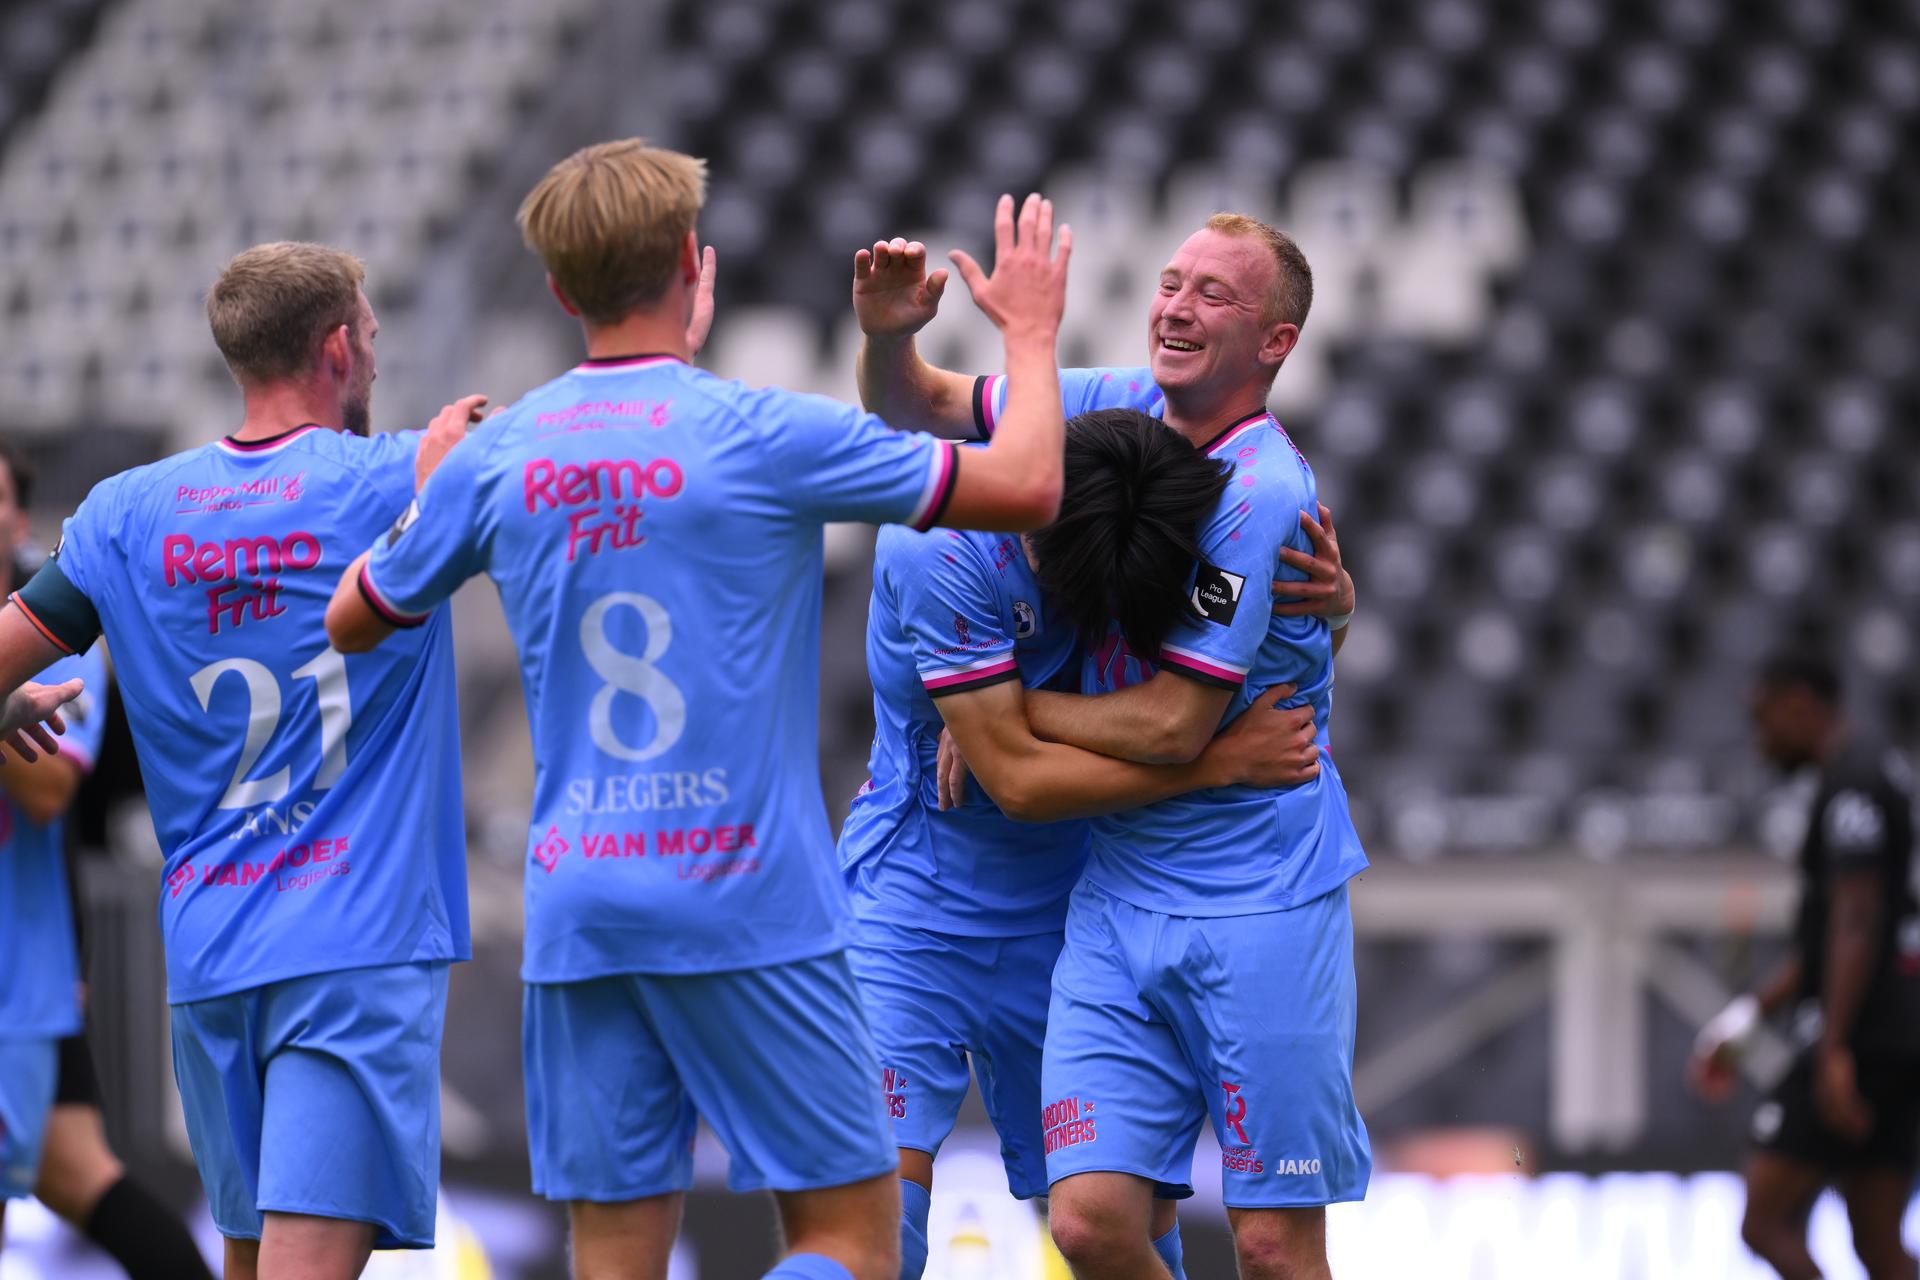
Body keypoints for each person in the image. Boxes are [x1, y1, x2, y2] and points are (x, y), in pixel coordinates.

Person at [324, 140, 1073, 1280]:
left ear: (562, 291)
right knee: (851, 1243)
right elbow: (1025, 485)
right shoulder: (765, 431)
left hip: (582, 902)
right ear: (692, 264)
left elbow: (353, 617)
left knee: (619, 1259)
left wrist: (432, 495)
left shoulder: (503, 451)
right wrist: (1027, 330)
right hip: (749, 899)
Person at [857, 213, 1366, 1280]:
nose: (1175, 306)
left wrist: (1001, 709)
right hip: (955, 889)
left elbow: (1172, 722)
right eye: (1170, 281)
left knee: (1265, 1245)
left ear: (1275, 342)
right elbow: (923, 401)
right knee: (934, 1228)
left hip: (1181, 886)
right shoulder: (1088, 421)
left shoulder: (1261, 493)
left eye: (1213, 295)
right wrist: (889, 340)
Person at [0, 242, 476, 1280]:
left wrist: (6, 705)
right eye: (375, 339)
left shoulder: (125, 512)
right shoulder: (402, 475)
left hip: (211, 954)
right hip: (352, 946)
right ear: (341, 345)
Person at [0, 439, 213, 1279]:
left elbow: (48, 788)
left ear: (20, 516)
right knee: (82, 1172)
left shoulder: (57, 622)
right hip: (33, 979)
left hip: (22, 980)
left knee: (86, 1175)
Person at [1689, 652, 1920, 1280]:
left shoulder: (1854, 783)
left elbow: (1857, 921)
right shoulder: (1878, 772)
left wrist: (1835, 1047)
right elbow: (1829, 942)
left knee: (1763, 1223)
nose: (1761, 740)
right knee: (1878, 1243)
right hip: (1898, 1037)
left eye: (1766, 721)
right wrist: (1744, 1021)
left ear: (1800, 704)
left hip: (1860, 1036)